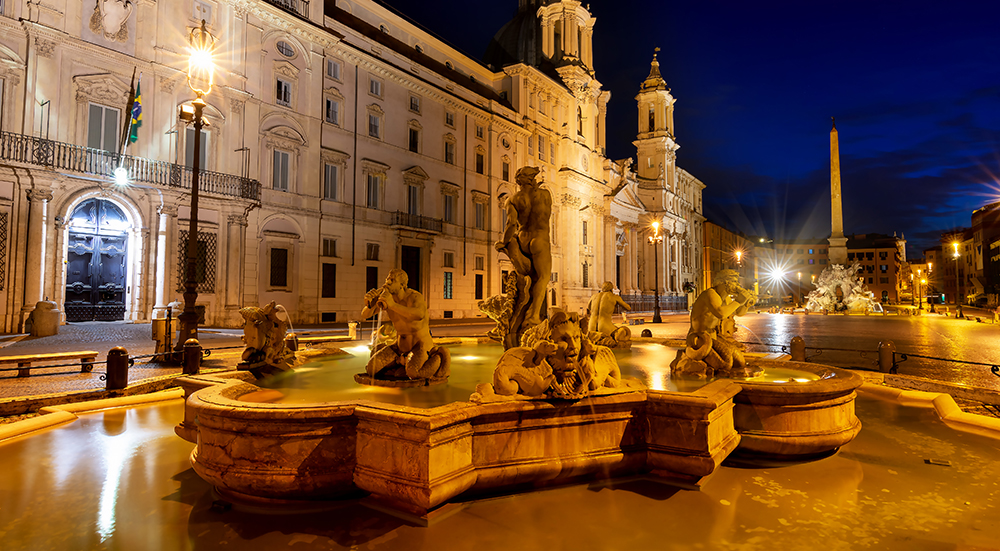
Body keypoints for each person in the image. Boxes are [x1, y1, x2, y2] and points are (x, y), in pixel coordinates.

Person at [495, 166, 551, 328]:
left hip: (522, 239)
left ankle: (522, 308)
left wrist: (504, 242)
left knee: (528, 277)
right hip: (540, 239)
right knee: (543, 277)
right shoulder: (545, 195)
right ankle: (533, 315)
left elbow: (511, 224)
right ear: (532, 179)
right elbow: (546, 214)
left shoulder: (512, 200)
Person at [361, 269, 439, 379]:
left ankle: (437, 359)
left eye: (392, 280)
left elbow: (419, 314)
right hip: (398, 347)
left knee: (414, 373)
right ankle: (402, 365)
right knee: (371, 369)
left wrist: (392, 305)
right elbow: (365, 315)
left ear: (402, 284)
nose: (387, 282)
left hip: (419, 346)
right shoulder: (387, 297)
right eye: (387, 279)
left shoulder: (414, 297)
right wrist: (369, 304)